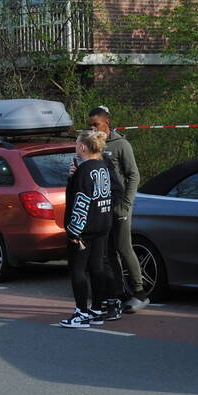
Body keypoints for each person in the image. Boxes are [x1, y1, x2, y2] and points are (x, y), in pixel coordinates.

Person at [87, 106, 148, 313]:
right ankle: (118, 292)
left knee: (124, 247)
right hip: (103, 208)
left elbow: (134, 175)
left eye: (96, 124)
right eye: (90, 125)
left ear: (107, 123)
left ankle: (140, 293)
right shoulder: (94, 145)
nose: (93, 128)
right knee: (109, 251)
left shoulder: (121, 145)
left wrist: (126, 205)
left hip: (120, 207)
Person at [60, 130, 116, 328]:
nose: (75, 147)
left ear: (83, 147)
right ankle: (98, 308)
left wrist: (74, 230)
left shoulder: (84, 171)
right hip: (103, 223)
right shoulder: (102, 166)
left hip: (86, 228)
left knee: (78, 269)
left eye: (76, 144)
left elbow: (80, 201)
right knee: (97, 266)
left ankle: (81, 311)